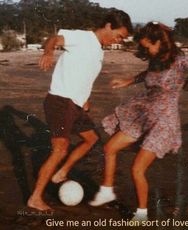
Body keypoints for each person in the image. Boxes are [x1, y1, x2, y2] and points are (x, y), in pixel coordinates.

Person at [27, 10, 133, 211]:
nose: (118, 41)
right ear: (109, 26)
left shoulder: (99, 51)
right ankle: (35, 198)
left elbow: (83, 76)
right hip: (60, 100)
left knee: (91, 139)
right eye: (119, 35)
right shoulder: (82, 37)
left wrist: (85, 100)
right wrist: (48, 52)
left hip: (75, 105)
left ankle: (61, 173)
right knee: (60, 149)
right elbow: (53, 39)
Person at [89, 22, 188, 221]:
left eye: (147, 46)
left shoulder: (181, 61)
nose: (145, 50)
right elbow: (148, 74)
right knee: (109, 148)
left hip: (163, 121)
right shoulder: (156, 59)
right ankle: (107, 190)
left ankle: (142, 214)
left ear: (160, 42)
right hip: (143, 113)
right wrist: (128, 80)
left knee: (137, 169)